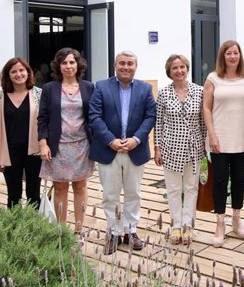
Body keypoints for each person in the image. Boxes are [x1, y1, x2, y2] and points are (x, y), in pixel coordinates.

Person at [88, 51, 156, 255]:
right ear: (115, 65)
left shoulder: (145, 89)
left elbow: (150, 116)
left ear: (136, 66)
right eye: (122, 63)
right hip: (109, 150)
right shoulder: (101, 87)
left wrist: (136, 139)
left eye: (130, 63)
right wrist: (111, 140)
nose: (126, 67)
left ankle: (131, 230)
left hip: (135, 150)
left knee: (133, 193)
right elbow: (94, 116)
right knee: (110, 194)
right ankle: (114, 232)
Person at [202, 40, 244, 247]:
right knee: (220, 180)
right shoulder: (213, 78)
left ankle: (237, 218)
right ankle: (220, 223)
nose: (232, 56)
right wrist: (212, 135)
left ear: (240, 55)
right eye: (228, 53)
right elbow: (206, 108)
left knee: (239, 179)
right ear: (222, 56)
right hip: (220, 137)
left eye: (236, 53)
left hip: (242, 135)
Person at [38, 48, 95, 233]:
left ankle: (79, 229)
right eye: (64, 62)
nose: (68, 66)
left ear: (78, 64)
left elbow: (94, 116)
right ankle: (61, 231)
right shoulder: (49, 88)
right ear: (58, 66)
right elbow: (43, 118)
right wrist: (43, 143)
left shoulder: (88, 87)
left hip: (82, 145)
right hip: (58, 147)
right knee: (60, 188)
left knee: (80, 186)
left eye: (72, 62)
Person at [154, 55, 206, 246]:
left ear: (187, 68)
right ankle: (176, 224)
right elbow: (159, 123)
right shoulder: (164, 93)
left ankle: (188, 225)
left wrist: (205, 146)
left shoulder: (199, 91)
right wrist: (157, 148)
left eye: (182, 67)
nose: (179, 71)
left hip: (194, 147)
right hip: (171, 148)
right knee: (174, 189)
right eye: (175, 68)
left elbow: (203, 123)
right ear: (169, 71)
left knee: (191, 188)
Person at [0, 57, 42, 209]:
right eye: (13, 71)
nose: (18, 74)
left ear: (28, 73)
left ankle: (34, 228)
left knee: (33, 194)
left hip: (34, 153)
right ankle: (15, 228)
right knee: (13, 194)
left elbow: (46, 124)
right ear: (8, 75)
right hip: (9, 153)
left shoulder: (39, 94)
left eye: (22, 70)